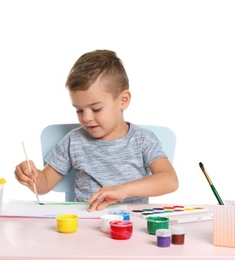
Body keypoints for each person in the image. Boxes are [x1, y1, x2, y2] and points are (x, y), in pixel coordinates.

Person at [14, 49, 178, 211]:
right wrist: (32, 176)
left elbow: (169, 180)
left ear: (123, 100)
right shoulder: (74, 141)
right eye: (79, 110)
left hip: (131, 225)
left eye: (96, 109)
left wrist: (123, 190)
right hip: (87, 223)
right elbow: (44, 184)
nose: (86, 118)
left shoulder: (143, 140)